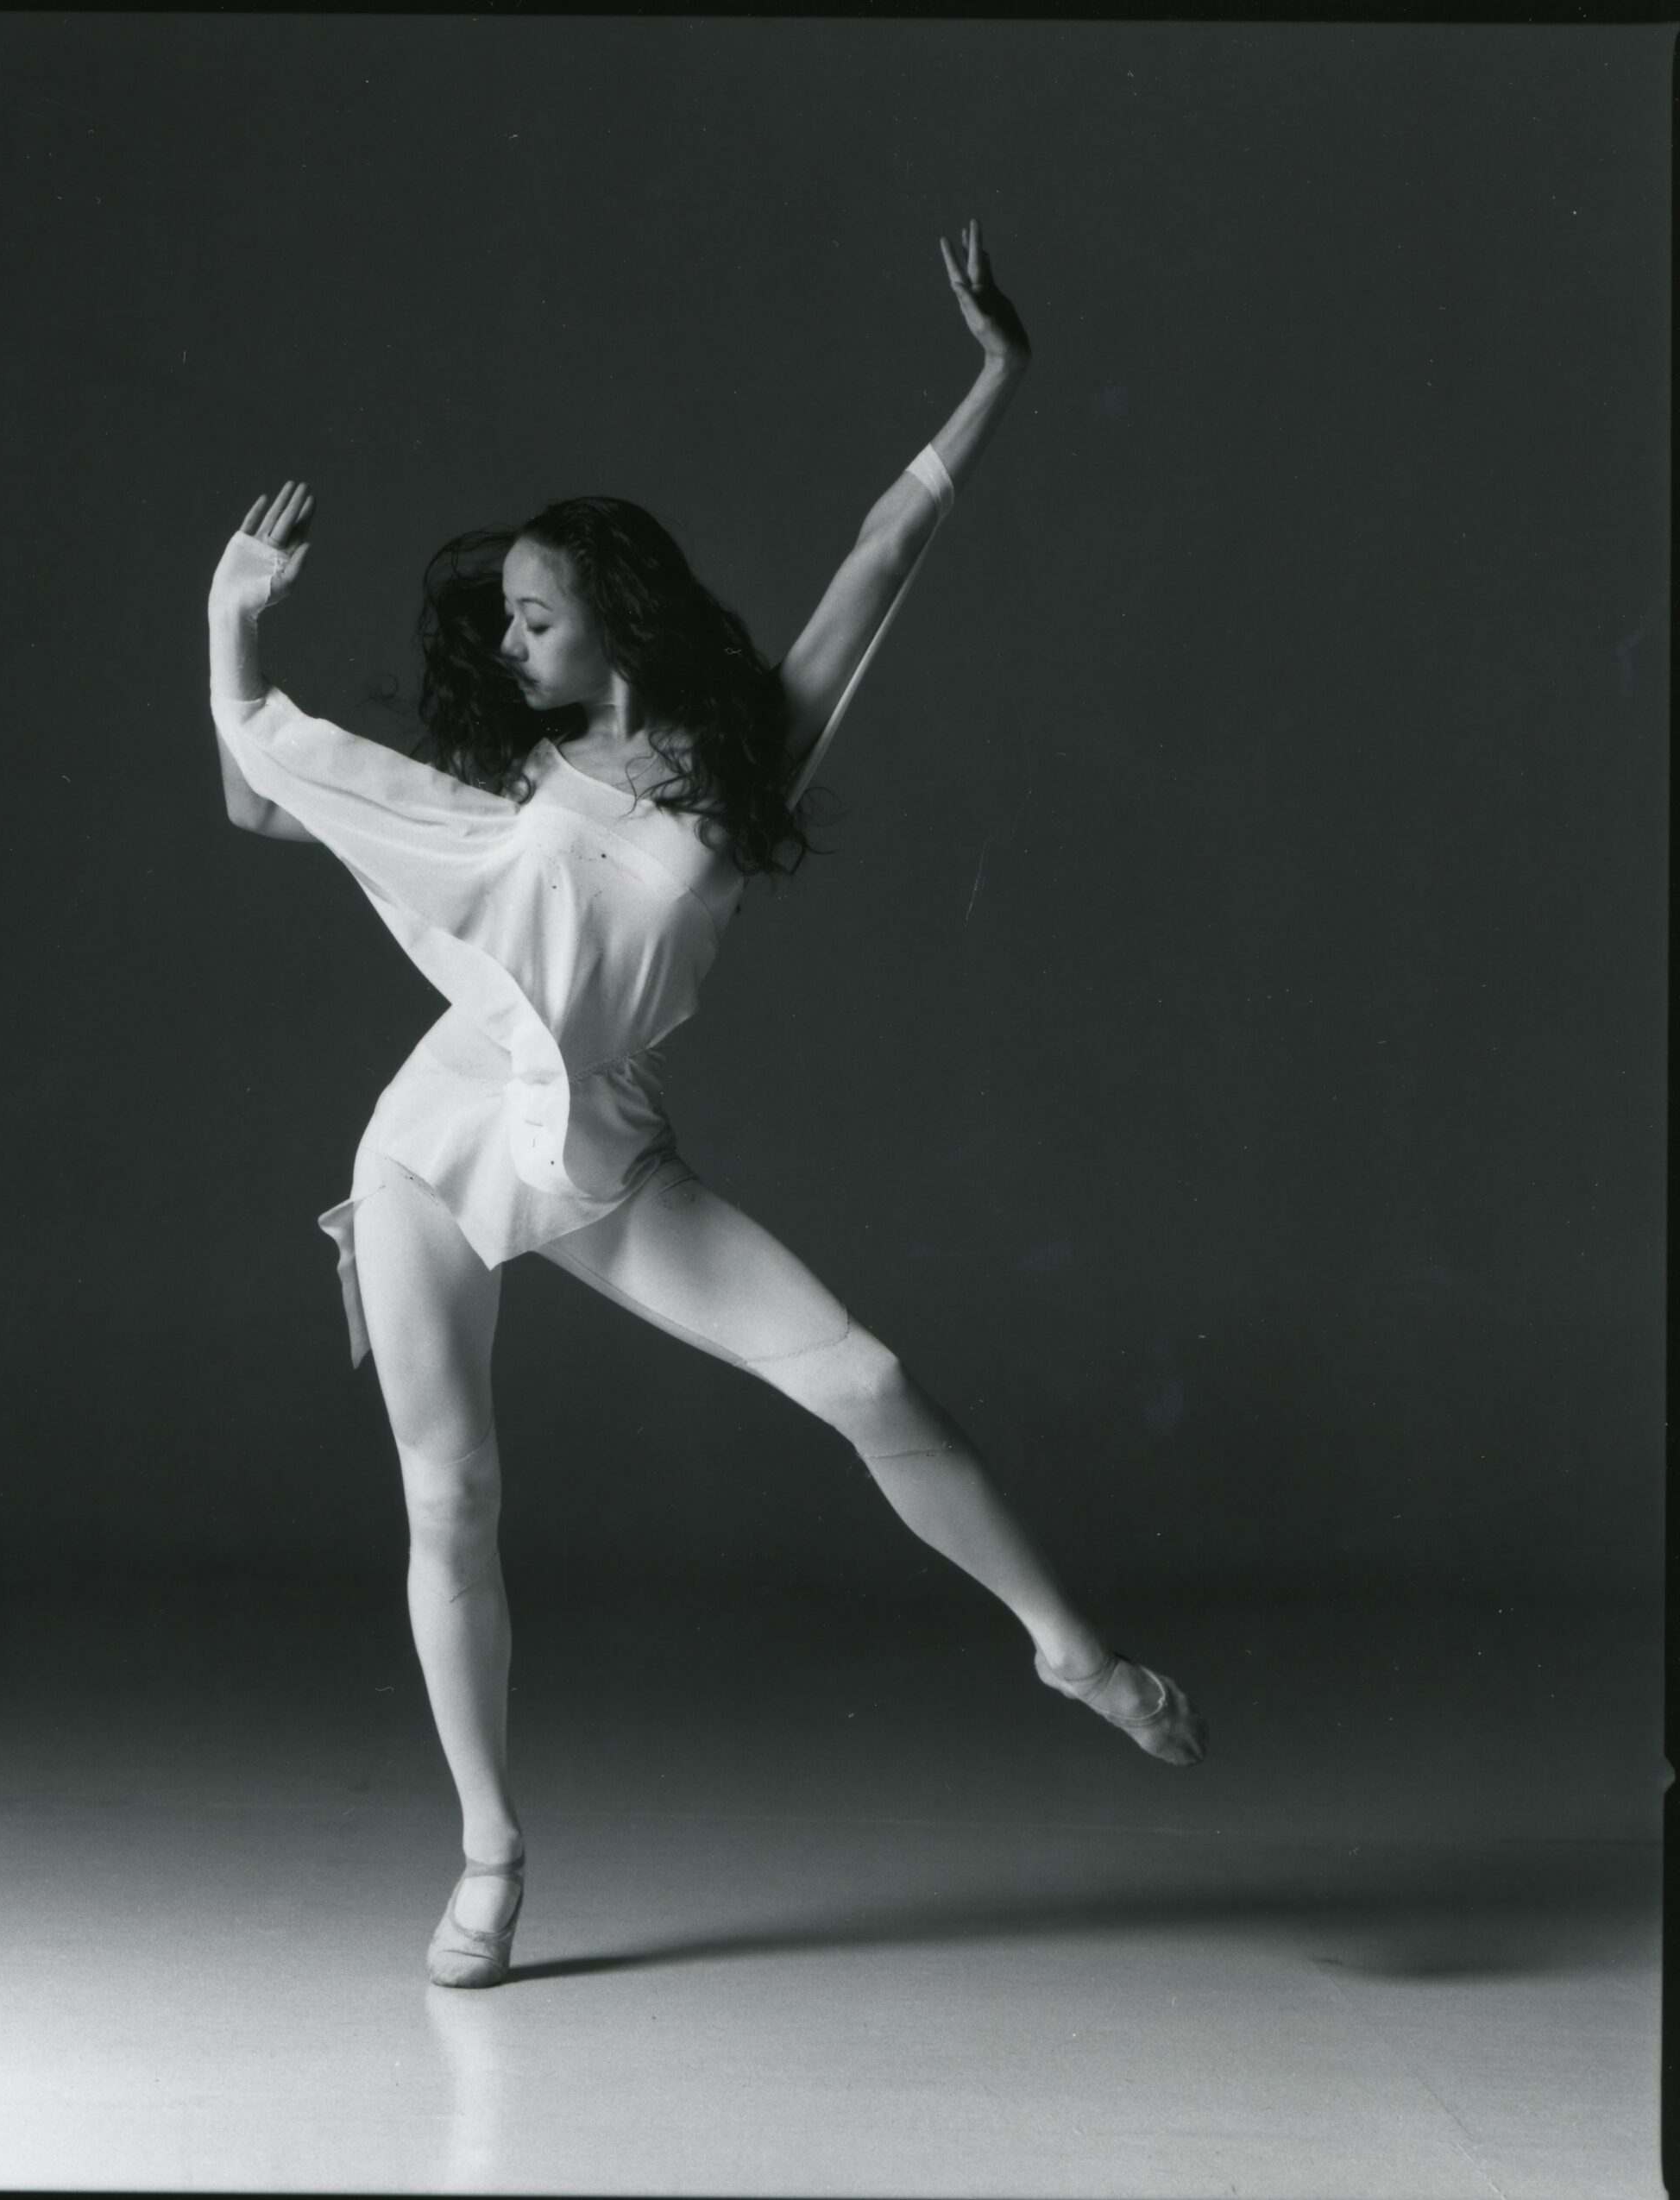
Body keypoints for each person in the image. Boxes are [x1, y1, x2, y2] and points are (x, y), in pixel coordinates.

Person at [204, 223, 1205, 1992]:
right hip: (434, 1143)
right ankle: (490, 1854)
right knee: (452, 1500)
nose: (506, 641)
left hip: (600, 1149)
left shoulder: (747, 756)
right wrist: (227, 641)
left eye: (532, 611)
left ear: (616, 608)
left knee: (867, 1379)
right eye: (503, 618)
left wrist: (998, 374)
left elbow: (881, 553)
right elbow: (273, 806)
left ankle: (1064, 1650)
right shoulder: (512, 781)